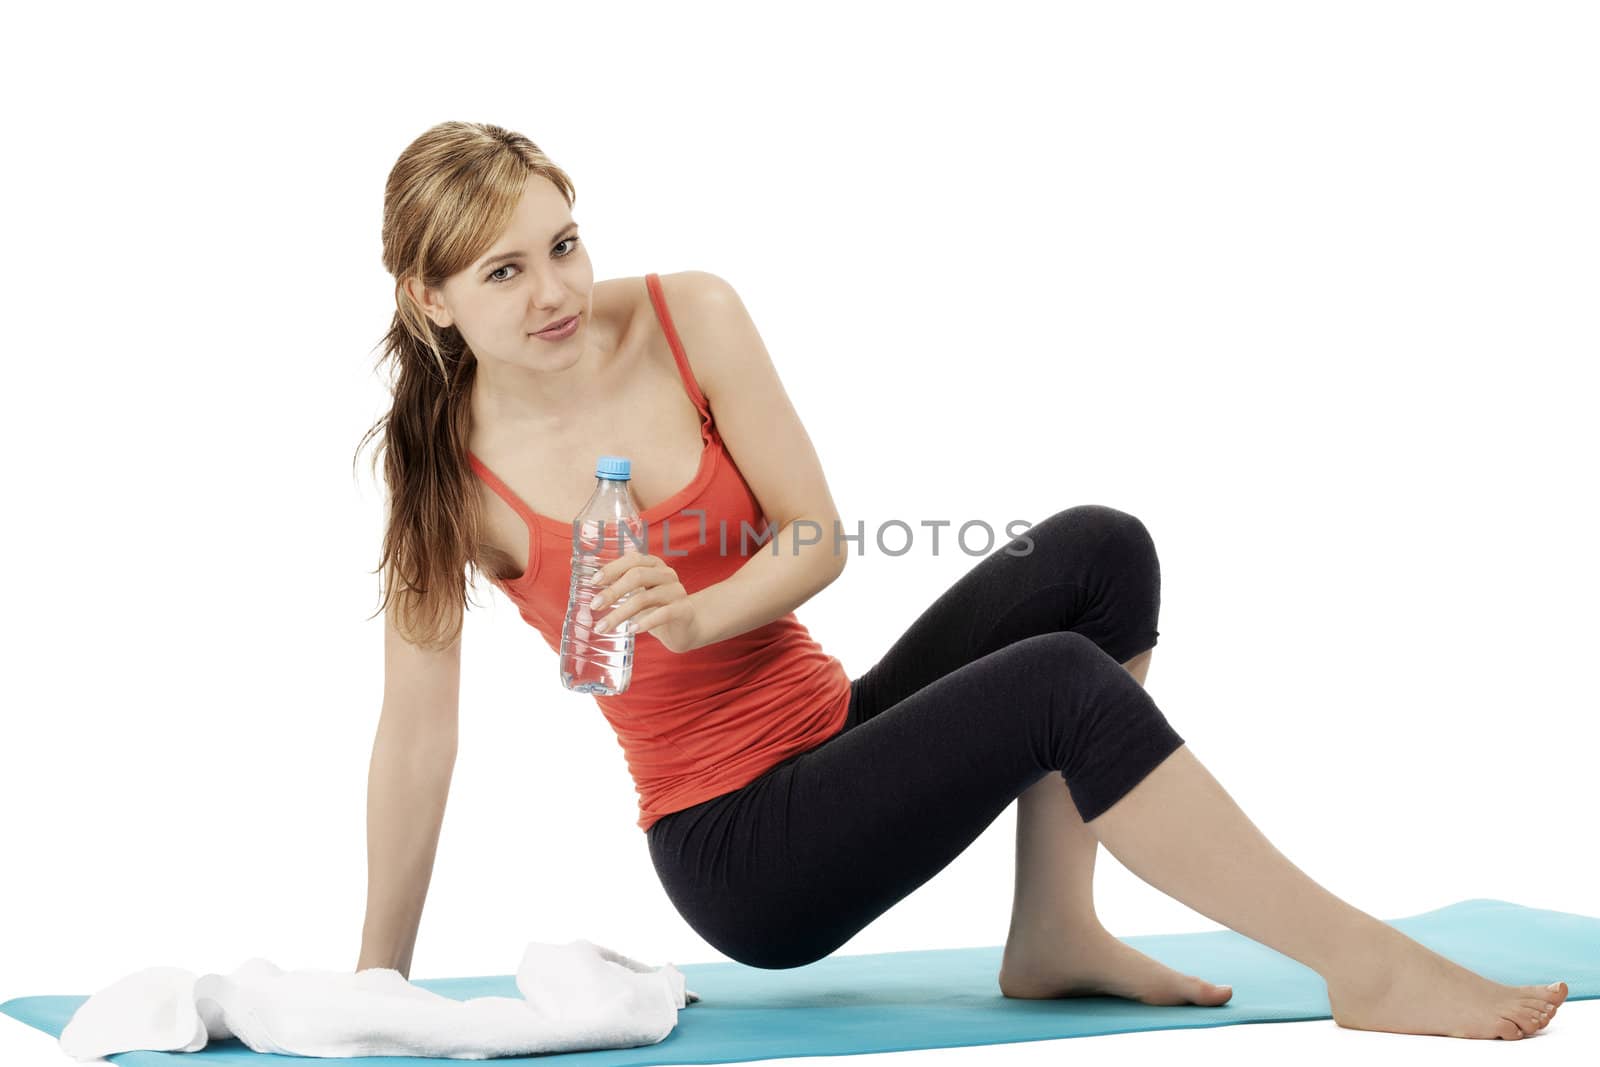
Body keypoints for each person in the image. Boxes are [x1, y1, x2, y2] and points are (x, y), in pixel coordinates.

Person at [352, 121, 1567, 1041]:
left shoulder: (687, 315)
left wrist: (696, 607)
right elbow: (416, 744)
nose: (555, 289)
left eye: (562, 243)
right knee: (1053, 682)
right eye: (502, 272)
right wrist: (377, 983)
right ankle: (1363, 965)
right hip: (742, 848)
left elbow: (816, 536)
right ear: (432, 298)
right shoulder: (445, 480)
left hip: (830, 733)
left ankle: (1054, 927)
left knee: (1098, 551)